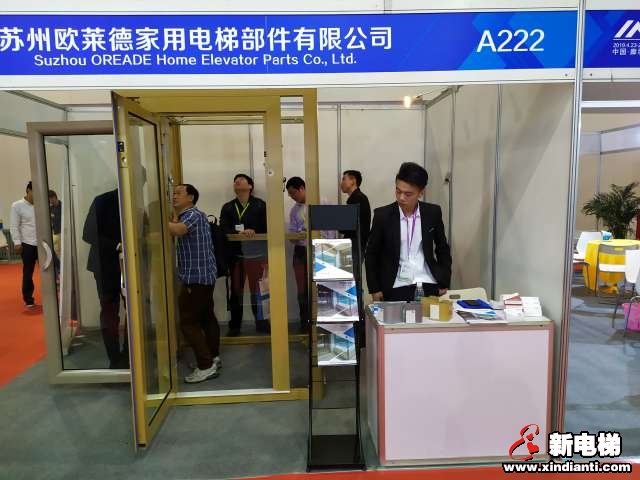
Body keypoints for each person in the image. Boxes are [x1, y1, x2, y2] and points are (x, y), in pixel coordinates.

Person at [366, 162, 451, 302]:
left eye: (408, 194)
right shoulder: (383, 216)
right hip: (395, 284)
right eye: (398, 191)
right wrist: (374, 288)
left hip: (427, 282)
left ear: (421, 193)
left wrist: (444, 281)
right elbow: (371, 254)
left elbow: (443, 248)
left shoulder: (432, 212)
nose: (401, 197)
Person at [169, 183, 221, 383]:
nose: (174, 196)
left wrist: (156, 220)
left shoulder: (192, 215)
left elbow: (178, 230)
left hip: (196, 278)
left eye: (178, 193)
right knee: (207, 318)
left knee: (188, 322)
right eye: (173, 193)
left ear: (191, 197)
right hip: (203, 277)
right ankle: (213, 358)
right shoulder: (192, 215)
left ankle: (205, 366)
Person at [83, 189, 128, 369]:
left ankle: (130, 354)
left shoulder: (135, 202)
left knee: (134, 311)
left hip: (131, 266)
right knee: (109, 312)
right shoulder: (103, 200)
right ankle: (115, 359)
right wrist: (118, 246)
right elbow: (88, 233)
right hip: (105, 267)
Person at [219, 174, 269, 336]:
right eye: (235, 181)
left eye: (241, 180)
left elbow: (267, 225)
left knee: (258, 291)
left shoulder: (260, 205)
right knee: (236, 292)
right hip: (236, 255)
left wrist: (254, 230)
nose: (237, 181)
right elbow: (223, 227)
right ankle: (235, 326)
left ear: (250, 186)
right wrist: (239, 232)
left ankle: (261, 323)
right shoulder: (228, 207)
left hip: (257, 254)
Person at [286, 176, 309, 330]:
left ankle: (320, 322)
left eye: (293, 193)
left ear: (302, 188)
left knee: (320, 287)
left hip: (320, 249)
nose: (292, 197)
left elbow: (330, 231)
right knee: (302, 289)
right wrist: (297, 236)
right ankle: (304, 323)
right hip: (301, 251)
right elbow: (292, 235)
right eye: (290, 195)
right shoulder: (294, 210)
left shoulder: (320, 201)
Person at [10, 181, 38, 308]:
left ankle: (53, 297)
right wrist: (17, 242)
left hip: (43, 243)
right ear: (28, 190)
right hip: (27, 244)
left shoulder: (41, 204)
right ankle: (28, 299)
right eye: (34, 191)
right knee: (28, 272)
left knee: (52, 269)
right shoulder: (17, 206)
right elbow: (14, 226)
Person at [340, 169, 371, 259]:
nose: (341, 183)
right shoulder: (358, 198)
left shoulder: (357, 199)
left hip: (354, 247)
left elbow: (348, 226)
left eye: (344, 179)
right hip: (355, 245)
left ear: (353, 181)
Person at [48, 190, 62, 273]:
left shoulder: (63, 207)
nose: (49, 201)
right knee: (56, 254)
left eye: (50, 199)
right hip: (55, 233)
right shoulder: (50, 208)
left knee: (62, 253)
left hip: (62, 234)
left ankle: (63, 270)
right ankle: (59, 271)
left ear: (54, 197)